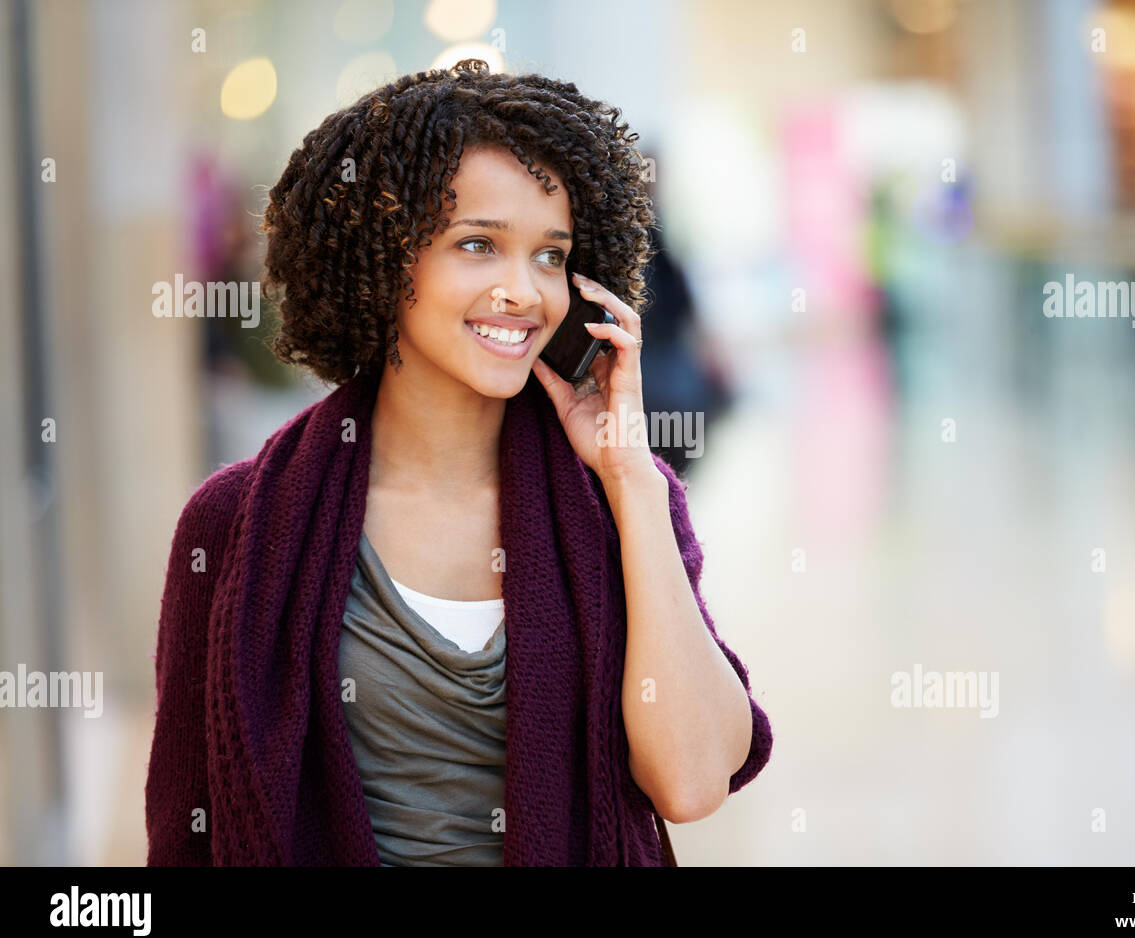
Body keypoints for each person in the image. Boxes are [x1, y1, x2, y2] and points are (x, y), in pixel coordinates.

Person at [145, 59, 772, 866]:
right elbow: (181, 834)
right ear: (382, 259)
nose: (524, 290)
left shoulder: (620, 503)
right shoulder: (235, 525)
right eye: (478, 245)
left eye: (551, 256)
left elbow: (690, 785)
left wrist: (629, 479)